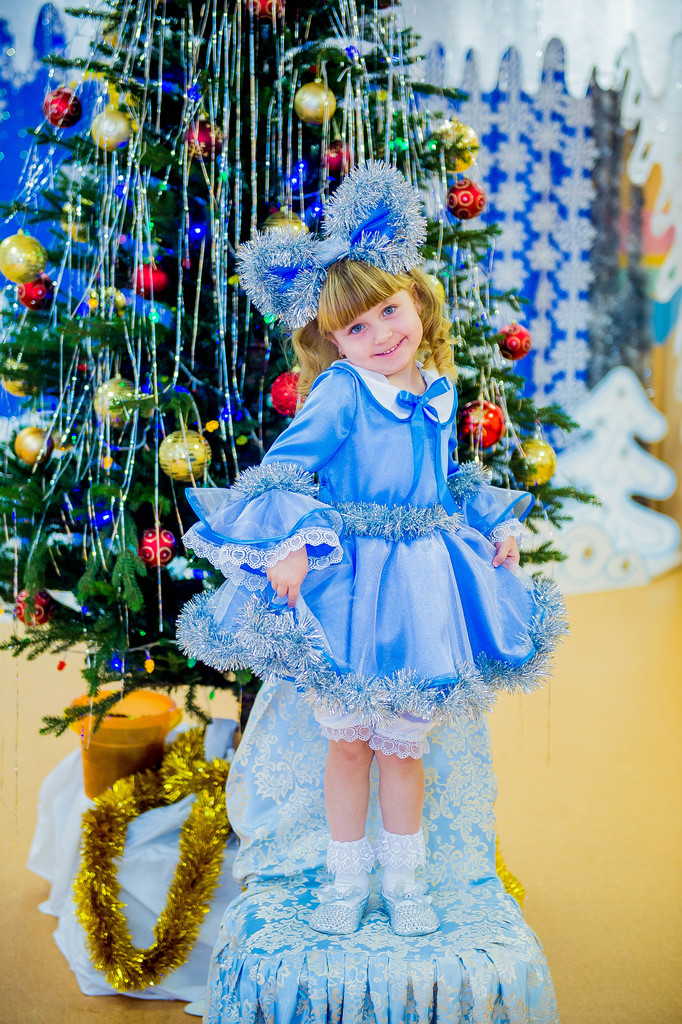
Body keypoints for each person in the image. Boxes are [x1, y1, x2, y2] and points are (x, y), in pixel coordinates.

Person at [177, 161, 566, 941]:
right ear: (331, 339)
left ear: (415, 298)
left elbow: (448, 480)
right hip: (352, 583)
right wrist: (291, 545)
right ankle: (347, 880)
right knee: (351, 744)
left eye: (389, 311)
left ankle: (405, 880)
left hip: (424, 586)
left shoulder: (436, 387)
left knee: (404, 747)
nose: (382, 335)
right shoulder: (341, 392)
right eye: (357, 328)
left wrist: (496, 525)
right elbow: (284, 469)